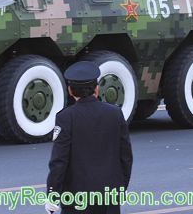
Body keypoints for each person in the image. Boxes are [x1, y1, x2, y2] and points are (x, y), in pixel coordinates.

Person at [45, 61, 133, 214]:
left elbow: (59, 161)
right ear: (96, 89)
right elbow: (125, 157)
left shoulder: (66, 117)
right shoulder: (115, 114)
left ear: (70, 90)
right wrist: (121, 188)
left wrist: (52, 196)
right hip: (109, 195)